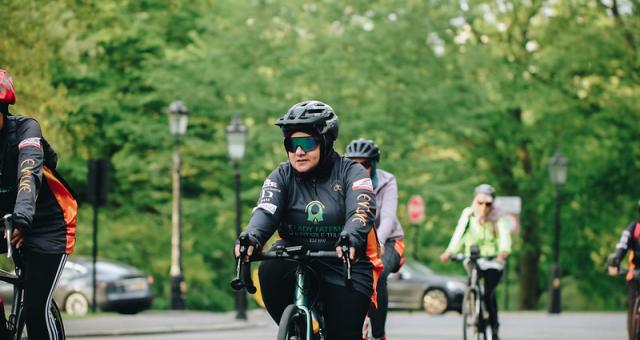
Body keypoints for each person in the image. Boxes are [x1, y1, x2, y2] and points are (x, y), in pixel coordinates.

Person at [234, 100, 382, 340]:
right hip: (295, 254)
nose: (299, 152)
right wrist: (252, 237)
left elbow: (361, 210)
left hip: (342, 261)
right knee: (270, 267)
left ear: (325, 142)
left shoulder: (351, 172)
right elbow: (266, 210)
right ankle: (299, 328)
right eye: (292, 145)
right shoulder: (281, 175)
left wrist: (351, 237)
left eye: (306, 143)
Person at [0, 69, 77, 339]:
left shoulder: (26, 129)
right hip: (7, 221)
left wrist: (22, 217)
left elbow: (28, 175)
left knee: (35, 308)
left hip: (48, 223)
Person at [345, 138, 404, 340]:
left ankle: (379, 335)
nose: (360, 168)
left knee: (376, 274)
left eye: (365, 164)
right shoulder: (343, 181)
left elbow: (387, 217)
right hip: (357, 239)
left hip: (388, 240)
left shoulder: (387, 181)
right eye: (355, 164)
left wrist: (377, 242)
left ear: (374, 165)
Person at [440, 184, 511, 340]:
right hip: (473, 258)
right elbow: (459, 233)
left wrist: (503, 251)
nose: (483, 207)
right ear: (475, 201)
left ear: (493, 203)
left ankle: (494, 327)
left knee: (487, 293)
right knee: (473, 281)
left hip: (493, 260)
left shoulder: (498, 217)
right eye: (480, 203)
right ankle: (473, 306)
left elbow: (504, 236)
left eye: (488, 204)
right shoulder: (469, 214)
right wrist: (450, 251)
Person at [607, 200, 640, 340]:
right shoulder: (634, 228)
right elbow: (622, 245)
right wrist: (615, 261)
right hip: (636, 272)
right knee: (632, 306)